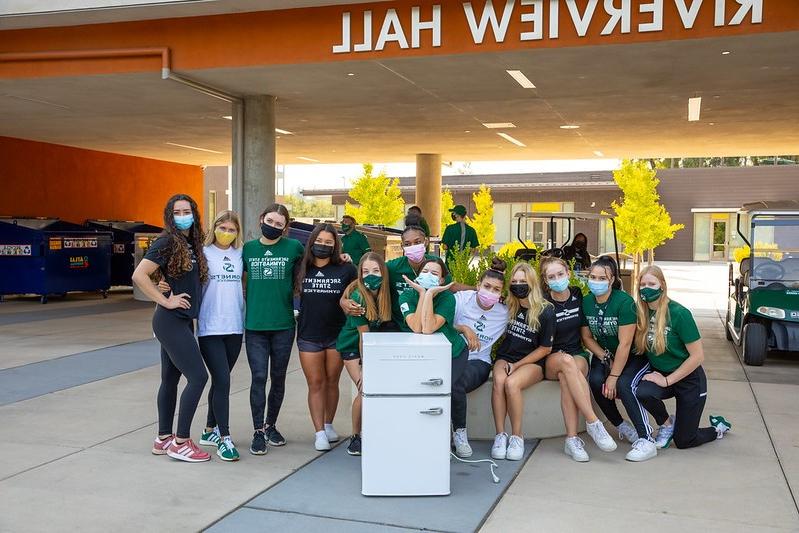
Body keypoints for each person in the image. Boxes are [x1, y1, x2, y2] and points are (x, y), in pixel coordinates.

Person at [132, 193, 210, 463]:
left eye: (186, 211)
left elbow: (165, 274)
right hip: (170, 320)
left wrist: (164, 284)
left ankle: (163, 438)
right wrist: (165, 299)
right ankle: (181, 442)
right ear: (169, 215)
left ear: (194, 213)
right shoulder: (166, 241)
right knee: (199, 377)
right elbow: (139, 274)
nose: (182, 216)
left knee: (170, 379)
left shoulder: (190, 243)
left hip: (182, 320)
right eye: (176, 212)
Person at [634, 265, 732, 449]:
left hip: (689, 379)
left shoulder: (679, 313)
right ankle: (667, 424)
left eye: (652, 283)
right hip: (661, 374)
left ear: (662, 285)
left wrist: (667, 381)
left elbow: (697, 356)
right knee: (643, 392)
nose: (646, 288)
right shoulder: (641, 313)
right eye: (642, 284)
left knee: (685, 440)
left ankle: (718, 428)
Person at [540, 257, 617, 462]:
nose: (557, 279)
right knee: (566, 363)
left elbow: (584, 334)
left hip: (576, 352)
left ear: (568, 273)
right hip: (551, 357)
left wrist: (602, 354)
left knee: (569, 374)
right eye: (551, 276)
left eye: (560, 274)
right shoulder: (543, 304)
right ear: (545, 281)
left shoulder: (577, 295)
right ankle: (593, 423)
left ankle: (571, 440)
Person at [242, 203, 305, 455]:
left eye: (279, 224)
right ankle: (258, 430)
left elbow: (316, 264)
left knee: (278, 378)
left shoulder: (294, 247)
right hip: (255, 326)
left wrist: (342, 257)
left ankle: (271, 425)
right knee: (258, 377)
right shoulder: (248, 249)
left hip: (283, 326)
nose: (273, 226)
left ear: (285, 227)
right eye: (270, 221)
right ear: (261, 219)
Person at [582, 256, 658, 462]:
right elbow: (587, 337)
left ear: (612, 279)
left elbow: (625, 344)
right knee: (596, 381)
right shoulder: (586, 301)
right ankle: (622, 426)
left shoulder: (624, 303)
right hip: (604, 353)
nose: (596, 281)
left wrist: (614, 375)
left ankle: (646, 438)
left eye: (602, 278)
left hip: (632, 355)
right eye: (593, 277)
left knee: (624, 385)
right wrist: (603, 356)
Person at [296, 224, 357, 451]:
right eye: (319, 241)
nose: (323, 245)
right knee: (315, 383)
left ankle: (329, 425)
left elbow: (359, 288)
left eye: (329, 242)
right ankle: (319, 432)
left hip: (336, 334)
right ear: (312, 242)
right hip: (308, 335)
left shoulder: (346, 269)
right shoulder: (301, 267)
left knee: (332, 381)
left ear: (336, 246)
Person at [490, 263, 555, 461]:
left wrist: (517, 366)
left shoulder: (546, 310)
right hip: (506, 357)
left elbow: (546, 348)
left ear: (532, 283)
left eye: (523, 282)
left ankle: (517, 436)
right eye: (515, 281)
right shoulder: (509, 304)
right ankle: (500, 435)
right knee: (499, 382)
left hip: (532, 362)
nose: (518, 285)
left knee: (512, 383)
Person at [195, 210, 245, 462]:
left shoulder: (240, 254)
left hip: (235, 327)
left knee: (220, 381)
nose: (226, 233)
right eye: (222, 228)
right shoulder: (203, 254)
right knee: (223, 380)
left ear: (238, 233)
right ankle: (224, 437)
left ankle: (208, 432)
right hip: (210, 328)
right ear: (214, 228)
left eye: (231, 229)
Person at [340, 225, 454, 331]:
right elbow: (366, 278)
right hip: (399, 327)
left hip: (428, 327)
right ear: (402, 246)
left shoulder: (436, 265)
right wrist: (343, 300)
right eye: (407, 244)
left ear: (426, 242)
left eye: (418, 242)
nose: (413, 247)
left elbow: (451, 286)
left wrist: (472, 288)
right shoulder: (393, 267)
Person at [450, 258, 510, 458]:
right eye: (486, 286)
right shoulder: (461, 299)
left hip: (478, 362)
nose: (490, 293)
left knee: (454, 385)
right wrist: (463, 328)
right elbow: (439, 322)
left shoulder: (505, 312)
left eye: (496, 289)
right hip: (453, 356)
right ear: (477, 285)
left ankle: (459, 433)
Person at [336, 252, 393, 456]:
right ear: (360, 273)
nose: (371, 275)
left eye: (376, 271)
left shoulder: (385, 292)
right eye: (366, 271)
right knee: (365, 388)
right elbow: (363, 336)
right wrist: (365, 366)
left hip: (374, 345)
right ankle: (355, 436)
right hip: (354, 346)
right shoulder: (358, 295)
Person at [400, 257, 469, 401]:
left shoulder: (448, 298)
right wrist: (422, 294)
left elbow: (428, 328)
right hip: (427, 353)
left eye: (434, 273)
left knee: (447, 387)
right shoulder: (406, 296)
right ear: (418, 276)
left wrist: (430, 294)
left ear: (442, 280)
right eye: (424, 271)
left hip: (453, 352)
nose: (428, 275)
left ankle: (459, 424)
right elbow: (417, 327)